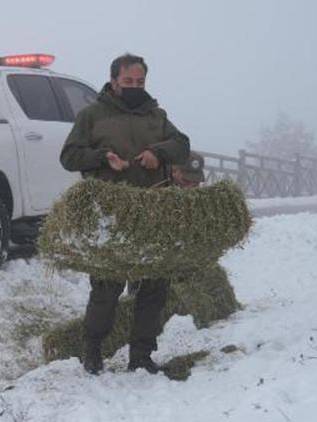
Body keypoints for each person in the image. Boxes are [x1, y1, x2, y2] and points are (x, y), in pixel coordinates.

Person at [60, 53, 190, 374]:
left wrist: (157, 153)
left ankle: (141, 356)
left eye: (140, 82)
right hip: (111, 214)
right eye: (128, 81)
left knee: (154, 287)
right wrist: (103, 158)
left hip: (152, 211)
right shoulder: (92, 115)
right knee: (106, 288)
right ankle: (92, 350)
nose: (134, 87)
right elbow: (70, 156)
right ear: (114, 81)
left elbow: (182, 145)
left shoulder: (156, 116)